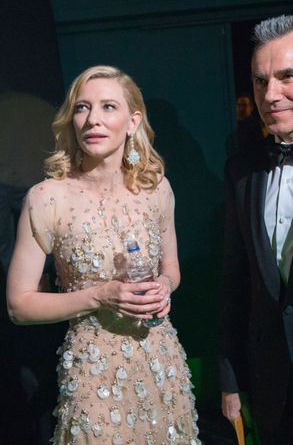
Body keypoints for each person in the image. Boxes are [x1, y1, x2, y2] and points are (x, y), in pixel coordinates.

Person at [7, 65, 201, 445]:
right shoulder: (47, 198)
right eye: (82, 107)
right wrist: (98, 296)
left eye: (108, 106)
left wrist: (164, 286)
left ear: (132, 121)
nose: (92, 119)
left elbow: (172, 269)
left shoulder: (155, 188)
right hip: (94, 379)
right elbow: (19, 305)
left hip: (162, 367)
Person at [219, 15, 293, 444]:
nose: (271, 94)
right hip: (272, 387)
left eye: (287, 77)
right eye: (261, 81)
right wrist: (229, 378)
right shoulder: (242, 171)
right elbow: (235, 281)